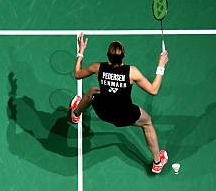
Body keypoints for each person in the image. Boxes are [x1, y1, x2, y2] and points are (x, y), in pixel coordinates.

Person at [68, 33, 169, 174]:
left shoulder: (98, 67)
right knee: (147, 123)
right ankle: (157, 163)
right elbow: (153, 90)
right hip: (125, 115)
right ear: (123, 56)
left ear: (108, 56)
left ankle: (75, 113)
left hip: (103, 110)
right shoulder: (131, 72)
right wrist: (161, 65)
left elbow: (77, 74)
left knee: (92, 91)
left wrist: (81, 52)